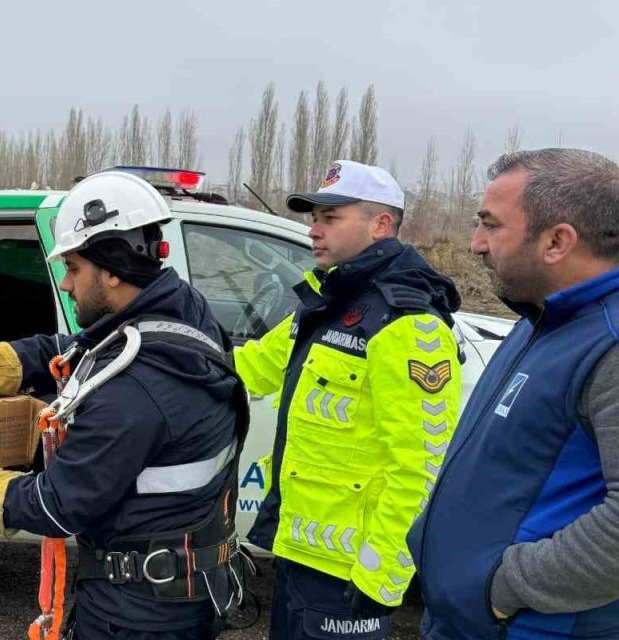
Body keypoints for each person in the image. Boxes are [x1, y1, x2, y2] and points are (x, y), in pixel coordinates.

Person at [0, 171, 250, 639]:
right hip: (176, 589)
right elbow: (74, 349)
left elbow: (54, 506)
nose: (65, 283)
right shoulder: (182, 312)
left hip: (139, 616)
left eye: (74, 268)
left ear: (112, 268)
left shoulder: (136, 393)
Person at [233, 160, 462, 639]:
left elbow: (423, 466)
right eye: (314, 217)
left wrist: (382, 577)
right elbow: (251, 368)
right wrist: (156, 346)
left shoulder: (409, 323)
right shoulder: (328, 301)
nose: (313, 230)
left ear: (381, 225)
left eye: (330, 218)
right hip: (298, 553)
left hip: (350, 574)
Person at [407, 149, 619, 639]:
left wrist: (505, 590)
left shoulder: (608, 341)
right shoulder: (543, 319)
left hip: (526, 627)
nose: (476, 244)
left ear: (557, 241)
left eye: (490, 225)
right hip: (467, 620)